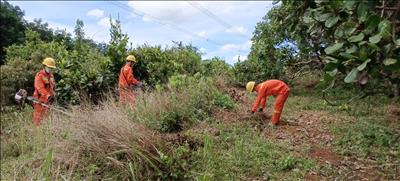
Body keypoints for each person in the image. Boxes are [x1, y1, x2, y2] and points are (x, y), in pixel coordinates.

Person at [32, 57, 56, 126]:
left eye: (52, 68)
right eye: (49, 67)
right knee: (38, 118)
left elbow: (52, 87)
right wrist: (48, 96)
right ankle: (36, 132)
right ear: (44, 66)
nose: (50, 69)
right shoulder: (39, 76)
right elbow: (40, 88)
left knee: (47, 118)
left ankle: (45, 132)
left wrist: (53, 95)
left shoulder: (51, 76)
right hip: (40, 101)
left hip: (49, 101)